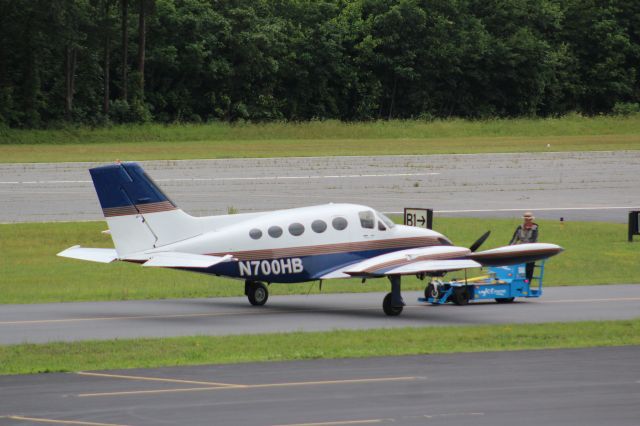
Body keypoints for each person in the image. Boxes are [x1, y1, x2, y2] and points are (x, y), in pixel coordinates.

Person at [509, 212, 538, 282]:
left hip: (531, 253)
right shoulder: (520, 228)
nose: (528, 221)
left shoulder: (535, 228)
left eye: (529, 220)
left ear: (531, 220)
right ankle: (520, 283)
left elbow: (533, 240)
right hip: (521, 252)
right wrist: (509, 248)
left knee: (529, 270)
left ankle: (527, 284)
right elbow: (514, 239)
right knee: (520, 270)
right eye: (526, 219)